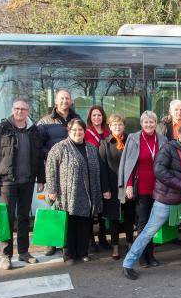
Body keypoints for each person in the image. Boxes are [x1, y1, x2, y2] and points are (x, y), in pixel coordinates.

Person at [121, 123, 181, 280]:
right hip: (165, 200)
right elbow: (159, 171)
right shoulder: (168, 148)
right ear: (178, 134)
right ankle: (127, 264)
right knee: (148, 232)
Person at [0, 98, 46, 270]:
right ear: (13, 110)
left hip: (27, 181)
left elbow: (39, 157)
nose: (19, 112)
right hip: (7, 182)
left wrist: (41, 179)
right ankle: (6, 256)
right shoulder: (1, 129)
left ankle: (24, 252)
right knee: (7, 219)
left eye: (23, 109)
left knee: (24, 219)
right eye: (16, 108)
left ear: (28, 111)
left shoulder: (34, 131)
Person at [45, 119, 106, 265]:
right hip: (68, 194)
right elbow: (51, 169)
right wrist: (52, 190)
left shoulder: (91, 148)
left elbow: (98, 170)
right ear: (69, 131)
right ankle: (69, 255)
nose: (78, 133)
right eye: (74, 130)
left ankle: (83, 252)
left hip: (88, 193)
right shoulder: (59, 148)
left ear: (84, 131)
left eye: (80, 130)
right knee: (70, 226)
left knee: (85, 225)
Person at [117, 111, 167, 268]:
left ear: (156, 123)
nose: (149, 124)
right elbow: (128, 164)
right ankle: (141, 256)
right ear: (141, 123)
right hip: (142, 187)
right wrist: (129, 184)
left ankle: (150, 255)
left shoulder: (163, 139)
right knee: (143, 223)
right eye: (146, 122)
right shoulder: (133, 138)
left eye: (152, 121)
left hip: (158, 188)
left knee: (154, 223)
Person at [37, 88, 80, 256]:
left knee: (68, 206)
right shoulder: (45, 121)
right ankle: (51, 242)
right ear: (56, 101)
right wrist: (51, 155)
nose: (64, 101)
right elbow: (37, 146)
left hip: (71, 171)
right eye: (61, 99)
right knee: (52, 205)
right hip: (53, 169)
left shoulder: (77, 119)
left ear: (71, 101)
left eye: (67, 98)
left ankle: (65, 241)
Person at [98, 114, 136, 260]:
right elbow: (102, 168)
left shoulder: (131, 141)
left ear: (124, 126)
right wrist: (105, 189)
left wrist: (130, 184)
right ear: (110, 127)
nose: (117, 127)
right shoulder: (104, 143)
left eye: (120, 125)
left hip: (128, 186)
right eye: (114, 125)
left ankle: (129, 242)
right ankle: (115, 246)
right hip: (113, 186)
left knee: (129, 216)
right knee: (114, 218)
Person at [85, 105, 111, 252]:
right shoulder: (87, 133)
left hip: (105, 174)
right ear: (90, 117)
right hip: (92, 174)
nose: (97, 118)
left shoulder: (108, 132)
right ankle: (91, 241)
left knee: (102, 211)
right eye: (94, 115)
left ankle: (102, 238)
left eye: (99, 115)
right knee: (91, 210)